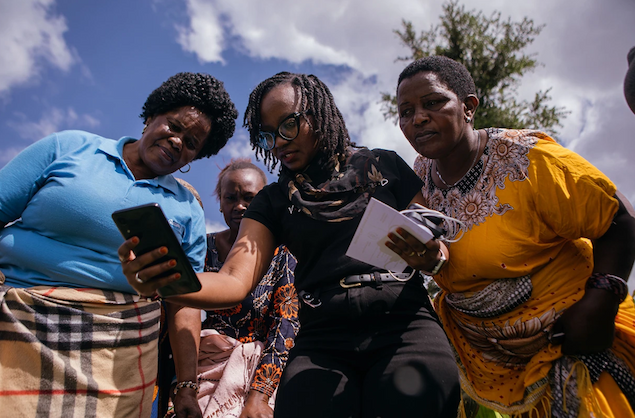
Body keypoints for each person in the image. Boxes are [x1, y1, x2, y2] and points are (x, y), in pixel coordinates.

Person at [120, 72, 461, 418]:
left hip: (404, 323)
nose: (278, 143)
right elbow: (234, 279)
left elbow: (437, 243)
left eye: (288, 126)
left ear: (318, 113)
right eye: (267, 136)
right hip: (324, 339)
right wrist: (170, 283)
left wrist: (433, 257)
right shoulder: (272, 201)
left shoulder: (386, 164)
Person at [395, 55, 635, 417]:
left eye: (432, 103)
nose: (418, 118)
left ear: (469, 106)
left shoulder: (527, 160)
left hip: (575, 344)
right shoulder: (421, 175)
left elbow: (620, 217)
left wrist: (601, 300)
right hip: (487, 363)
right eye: (405, 111)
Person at [0, 72, 238, 418]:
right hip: (18, 313)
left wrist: (186, 386)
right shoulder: (69, 148)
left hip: (115, 351)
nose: (176, 142)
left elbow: (183, 303)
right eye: (173, 126)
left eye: (190, 143)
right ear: (149, 117)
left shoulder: (187, 208)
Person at [166, 160, 298, 418]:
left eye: (250, 198)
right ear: (220, 203)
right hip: (201, 369)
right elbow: (182, 307)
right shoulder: (203, 248)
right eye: (231, 198)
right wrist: (186, 386)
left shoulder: (283, 254)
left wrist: (259, 396)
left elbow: (285, 325)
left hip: (263, 374)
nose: (239, 206)